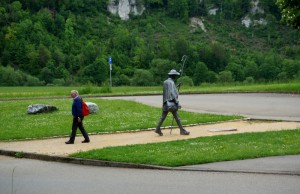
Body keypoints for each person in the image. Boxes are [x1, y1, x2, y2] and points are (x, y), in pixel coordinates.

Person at [155, 69, 190, 136]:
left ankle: (157, 129)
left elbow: (169, 90)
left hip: (165, 102)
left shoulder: (165, 82)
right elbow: (172, 93)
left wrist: (176, 86)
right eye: (175, 76)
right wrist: (177, 102)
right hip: (171, 103)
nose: (175, 77)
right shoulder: (171, 83)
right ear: (173, 76)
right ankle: (182, 130)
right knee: (177, 117)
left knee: (163, 117)